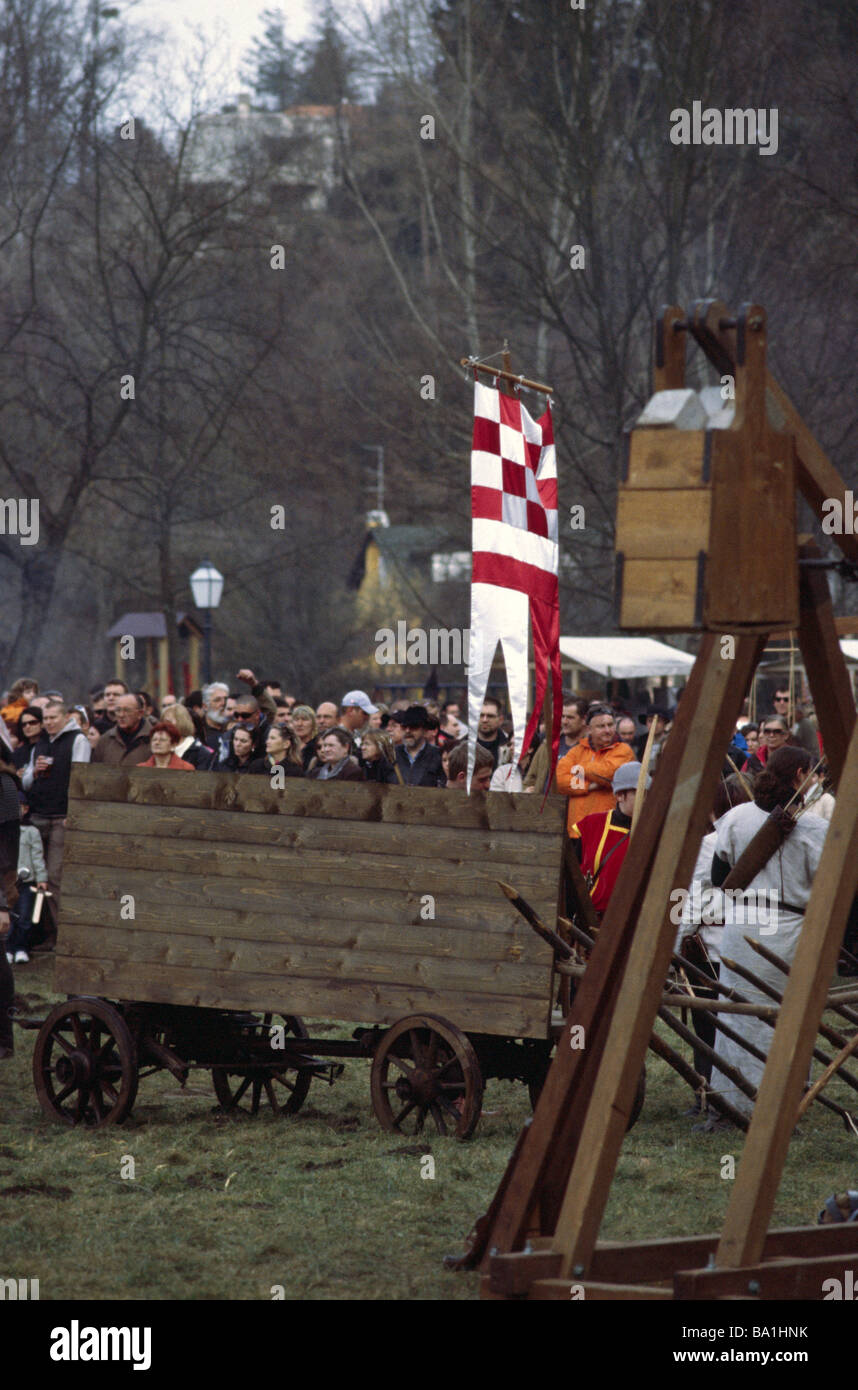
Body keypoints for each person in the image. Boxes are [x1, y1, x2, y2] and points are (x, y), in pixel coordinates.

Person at [708, 746, 827, 1124]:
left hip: (742, 925)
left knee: (738, 1016)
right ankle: (777, 1106)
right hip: (787, 928)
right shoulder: (816, 830)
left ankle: (733, 1102)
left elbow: (717, 878)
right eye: (810, 774)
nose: (814, 782)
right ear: (799, 776)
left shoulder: (735, 817)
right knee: (779, 1016)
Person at [569, 761, 650, 923]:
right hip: (591, 920)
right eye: (639, 793)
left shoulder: (653, 832)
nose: (645, 799)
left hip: (631, 923)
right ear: (620, 795)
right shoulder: (591, 825)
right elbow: (572, 878)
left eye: (647, 794)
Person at [556, 705, 635, 832]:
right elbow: (560, 781)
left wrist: (579, 768)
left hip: (609, 828)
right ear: (589, 729)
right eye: (601, 726)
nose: (607, 730)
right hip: (578, 828)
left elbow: (609, 774)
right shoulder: (576, 751)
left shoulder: (624, 750)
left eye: (610, 725)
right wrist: (589, 786)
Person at [5, 802, 47, 964]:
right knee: (8, 916)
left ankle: (21, 948)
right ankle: (7, 949)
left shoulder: (31, 831)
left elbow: (38, 856)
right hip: (7, 882)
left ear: (25, 809)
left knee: (25, 916)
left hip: (26, 882)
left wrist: (42, 879)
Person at [523, 696, 588, 794]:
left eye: (570, 718)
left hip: (573, 805)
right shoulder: (548, 744)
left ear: (584, 719)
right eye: (562, 716)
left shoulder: (590, 748)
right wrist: (528, 791)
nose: (564, 722)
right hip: (545, 806)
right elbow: (531, 777)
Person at [91, 694, 155, 767]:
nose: (121, 715)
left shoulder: (154, 739)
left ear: (140, 713)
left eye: (127, 710)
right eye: (118, 710)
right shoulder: (105, 740)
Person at [394, 706, 446, 787]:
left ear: (425, 730)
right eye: (404, 727)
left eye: (413, 726)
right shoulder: (391, 755)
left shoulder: (438, 755)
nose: (407, 731)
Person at [160, 702, 213, 768]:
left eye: (168, 722)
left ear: (181, 722)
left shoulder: (201, 753)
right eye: (162, 723)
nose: (163, 727)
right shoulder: (160, 748)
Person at [200, 682, 232, 766]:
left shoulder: (235, 729)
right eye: (217, 700)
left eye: (226, 699)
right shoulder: (198, 731)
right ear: (205, 706)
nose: (223, 704)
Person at [476, 696, 509, 770]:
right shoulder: (463, 744)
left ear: (501, 720)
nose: (484, 720)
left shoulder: (510, 746)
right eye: (481, 715)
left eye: (490, 716)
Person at [290, 705, 319, 771]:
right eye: (296, 719)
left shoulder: (317, 747)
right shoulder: (288, 745)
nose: (299, 724)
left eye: (304, 719)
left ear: (313, 724)